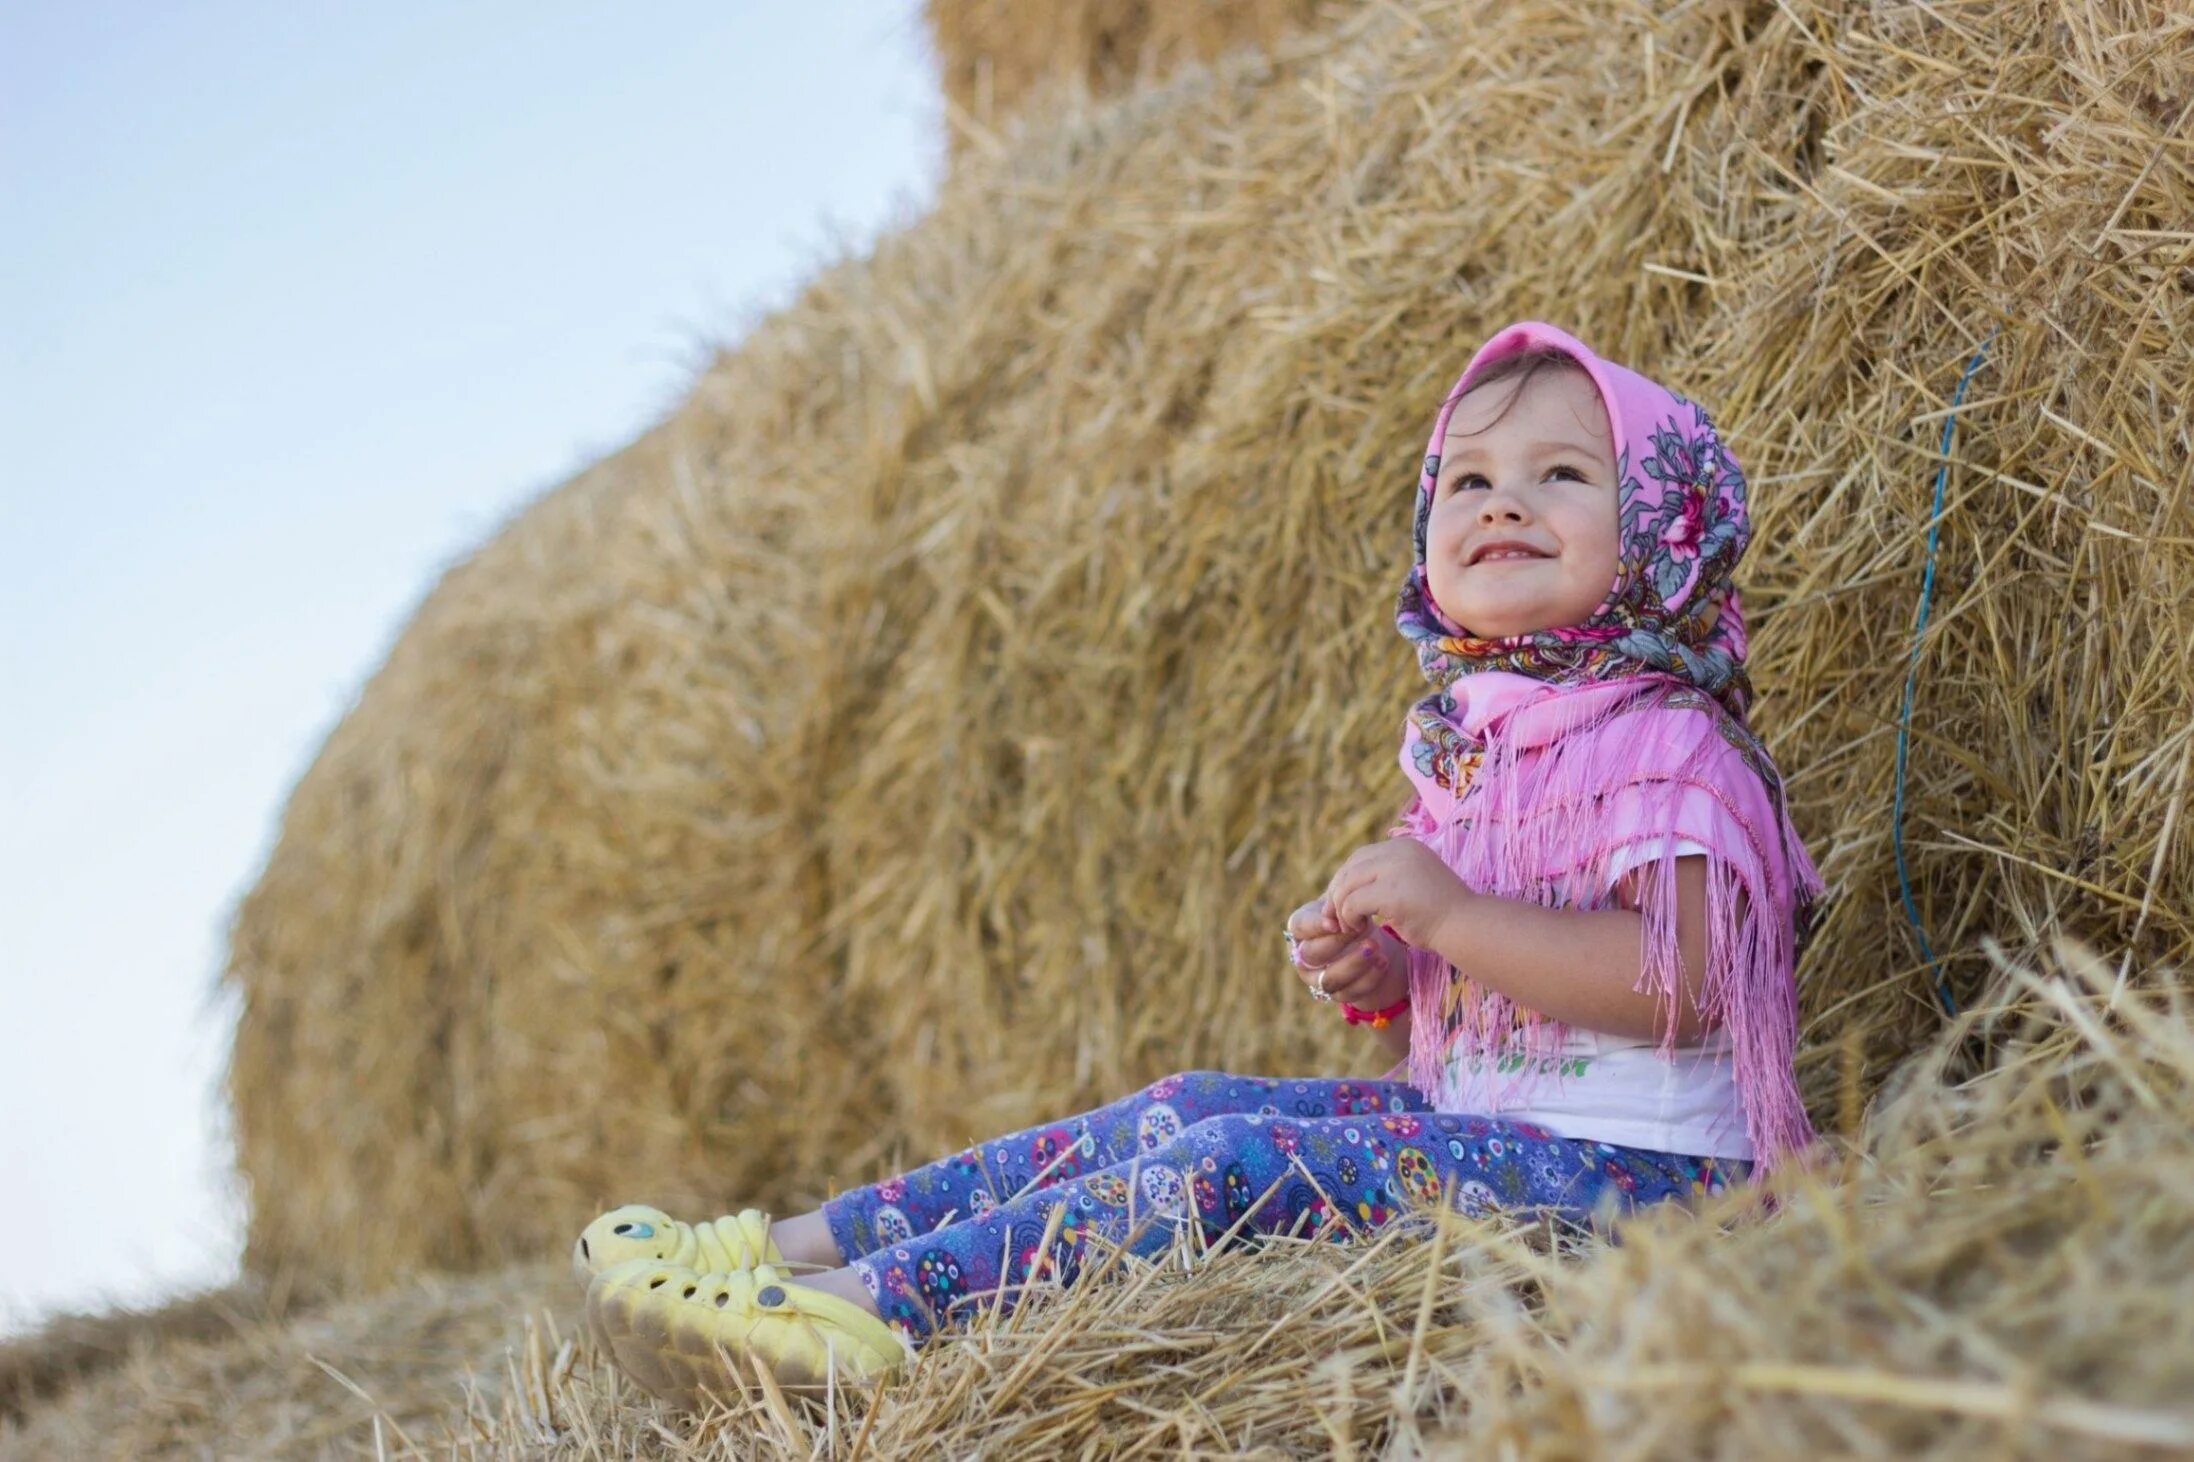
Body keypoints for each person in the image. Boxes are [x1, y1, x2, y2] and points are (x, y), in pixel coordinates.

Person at [573, 320, 1825, 1409]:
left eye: (1562, 474)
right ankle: (783, 1260)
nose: (1503, 503)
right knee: (1183, 1105)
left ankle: (871, 1318)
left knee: (1238, 1170)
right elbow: (1464, 1022)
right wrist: (1385, 966)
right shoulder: (1480, 750)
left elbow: (1687, 983)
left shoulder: (1668, 741)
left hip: (1662, 1190)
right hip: (1501, 1133)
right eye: (1470, 480)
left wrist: (1447, 913)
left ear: (1661, 528)